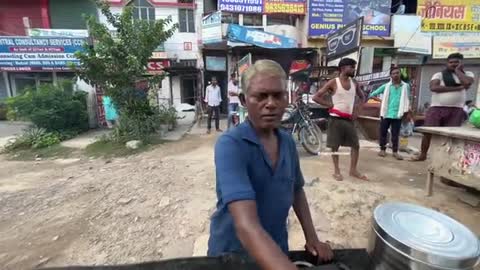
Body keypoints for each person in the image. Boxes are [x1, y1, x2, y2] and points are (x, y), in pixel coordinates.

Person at [208, 60, 333, 270]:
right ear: (244, 100)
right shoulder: (231, 145)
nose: (271, 104)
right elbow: (246, 225)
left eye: (277, 95)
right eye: (261, 96)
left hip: (276, 251)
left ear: (287, 98)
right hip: (233, 257)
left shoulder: (287, 142)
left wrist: (312, 238)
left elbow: (296, 189)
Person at [313, 58, 368, 181]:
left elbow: (362, 97)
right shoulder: (333, 82)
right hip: (335, 119)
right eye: (352, 67)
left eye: (354, 67)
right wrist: (329, 105)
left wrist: (357, 111)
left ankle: (353, 170)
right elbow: (316, 97)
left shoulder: (354, 83)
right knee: (334, 146)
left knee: (355, 145)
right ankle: (336, 171)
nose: (354, 69)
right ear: (343, 68)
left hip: (349, 120)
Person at [412, 53, 474, 161]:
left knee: (451, 135)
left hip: (456, 110)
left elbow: (467, 83)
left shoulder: (468, 74)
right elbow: (434, 87)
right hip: (437, 108)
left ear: (461, 63)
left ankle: (446, 159)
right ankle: (423, 154)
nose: (453, 64)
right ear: (447, 63)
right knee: (428, 132)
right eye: (451, 62)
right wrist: (458, 88)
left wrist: (458, 71)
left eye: (456, 62)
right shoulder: (439, 75)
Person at [368, 67, 410, 160]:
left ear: (400, 74)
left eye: (397, 73)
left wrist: (407, 112)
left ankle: (395, 152)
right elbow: (372, 95)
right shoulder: (386, 86)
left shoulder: (405, 86)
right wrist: (382, 101)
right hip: (386, 113)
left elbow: (408, 99)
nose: (395, 75)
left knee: (395, 134)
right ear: (391, 75)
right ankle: (382, 149)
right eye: (393, 73)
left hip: (398, 114)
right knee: (383, 132)